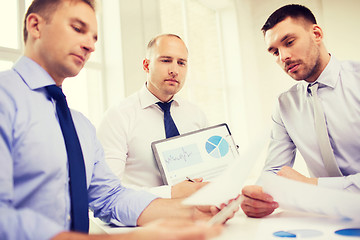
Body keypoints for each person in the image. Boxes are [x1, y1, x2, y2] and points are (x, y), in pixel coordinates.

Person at [0, 0, 236, 239]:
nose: (90, 46)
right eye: (78, 29)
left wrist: (193, 211)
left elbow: (110, 197)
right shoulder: (4, 99)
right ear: (35, 26)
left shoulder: (80, 126)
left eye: (94, 38)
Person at [241, 4, 360, 218]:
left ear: (316, 34)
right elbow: (274, 173)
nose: (283, 57)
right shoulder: (285, 105)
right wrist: (259, 197)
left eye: (289, 42)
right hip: (328, 221)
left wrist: (311, 185)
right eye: (274, 51)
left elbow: (303, 185)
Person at [97, 34, 208, 198]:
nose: (174, 70)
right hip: (143, 220)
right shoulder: (118, 116)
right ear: (146, 65)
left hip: (199, 215)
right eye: (165, 60)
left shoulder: (196, 115)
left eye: (181, 63)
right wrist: (169, 193)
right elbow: (106, 191)